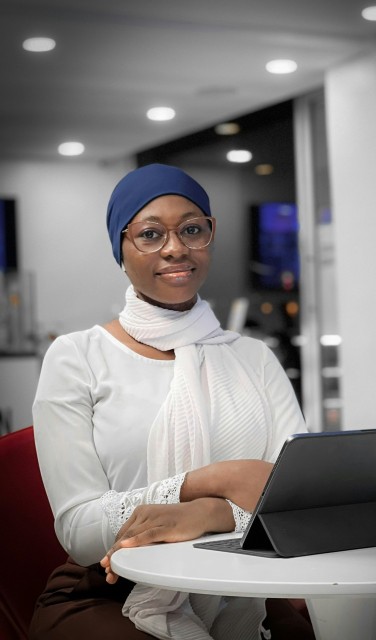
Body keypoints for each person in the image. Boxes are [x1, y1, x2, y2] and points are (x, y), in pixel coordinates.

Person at [29, 164, 314, 640]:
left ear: (210, 234)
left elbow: (300, 503)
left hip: (240, 588)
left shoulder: (253, 358)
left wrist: (205, 513)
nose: (175, 247)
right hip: (110, 590)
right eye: (150, 234)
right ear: (119, 248)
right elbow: (80, 532)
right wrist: (212, 481)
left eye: (191, 229)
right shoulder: (78, 356)